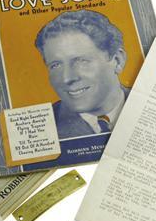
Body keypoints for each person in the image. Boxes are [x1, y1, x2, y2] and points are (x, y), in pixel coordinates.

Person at [35, 9, 129, 139]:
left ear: (117, 61)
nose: (67, 78)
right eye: (55, 65)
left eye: (81, 61)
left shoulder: (150, 103)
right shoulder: (41, 130)